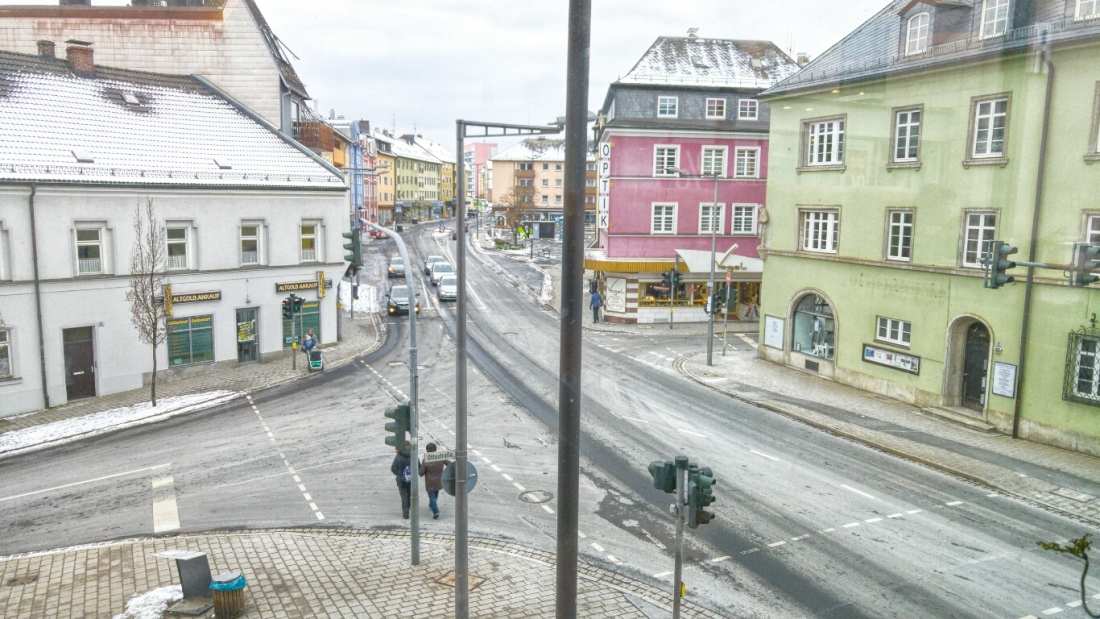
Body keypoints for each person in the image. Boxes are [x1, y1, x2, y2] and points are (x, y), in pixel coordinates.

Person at [419, 442, 451, 520]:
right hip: (439, 480)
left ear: (427, 450)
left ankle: (435, 511)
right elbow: (450, 464)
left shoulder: (425, 460)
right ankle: (432, 504)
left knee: (431, 496)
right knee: (435, 492)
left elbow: (421, 473)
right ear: (435, 449)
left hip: (430, 481)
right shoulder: (440, 457)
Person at [391, 441, 412, 519]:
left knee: (403, 495)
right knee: (409, 494)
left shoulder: (398, 456)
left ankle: (405, 511)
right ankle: (408, 507)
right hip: (411, 479)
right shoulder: (413, 455)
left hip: (401, 479)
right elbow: (418, 466)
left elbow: (393, 468)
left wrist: (399, 474)